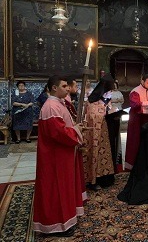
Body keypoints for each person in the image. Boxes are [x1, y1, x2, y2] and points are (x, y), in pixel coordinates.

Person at [33, 75, 85, 237]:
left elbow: (65, 126)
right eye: (64, 86)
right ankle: (57, 225)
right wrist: (76, 131)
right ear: (54, 88)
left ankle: (66, 218)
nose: (68, 88)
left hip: (62, 154)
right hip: (55, 157)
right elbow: (59, 133)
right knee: (57, 188)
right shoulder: (51, 107)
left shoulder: (58, 104)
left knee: (64, 186)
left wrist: (76, 126)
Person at [82, 74, 115, 189]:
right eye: (110, 90)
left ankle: (104, 177)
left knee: (104, 156)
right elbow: (93, 115)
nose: (110, 93)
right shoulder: (93, 100)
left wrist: (109, 109)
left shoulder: (106, 99)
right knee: (95, 154)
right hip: (95, 134)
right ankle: (93, 180)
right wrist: (104, 110)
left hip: (105, 133)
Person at [125, 74, 148, 170]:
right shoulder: (135, 92)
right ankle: (133, 164)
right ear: (142, 81)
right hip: (137, 120)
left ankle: (147, 162)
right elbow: (135, 105)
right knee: (136, 141)